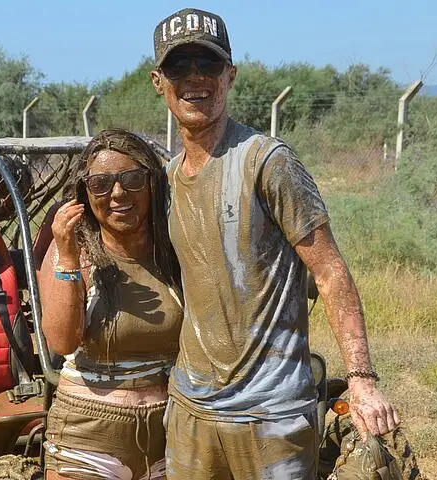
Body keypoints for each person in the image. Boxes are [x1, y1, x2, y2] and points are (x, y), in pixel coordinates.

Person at [149, 8, 401, 479]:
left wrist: (362, 381)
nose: (195, 78)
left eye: (208, 63)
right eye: (179, 66)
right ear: (158, 81)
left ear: (230, 75)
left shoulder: (267, 162)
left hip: (271, 415)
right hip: (191, 411)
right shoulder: (165, 181)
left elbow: (329, 271)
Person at [38, 128, 183, 480]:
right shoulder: (73, 251)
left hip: (169, 433)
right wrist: (68, 258)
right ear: (85, 195)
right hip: (88, 435)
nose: (118, 193)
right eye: (100, 184)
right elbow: (61, 341)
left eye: (132, 179)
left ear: (152, 183)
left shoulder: (174, 252)